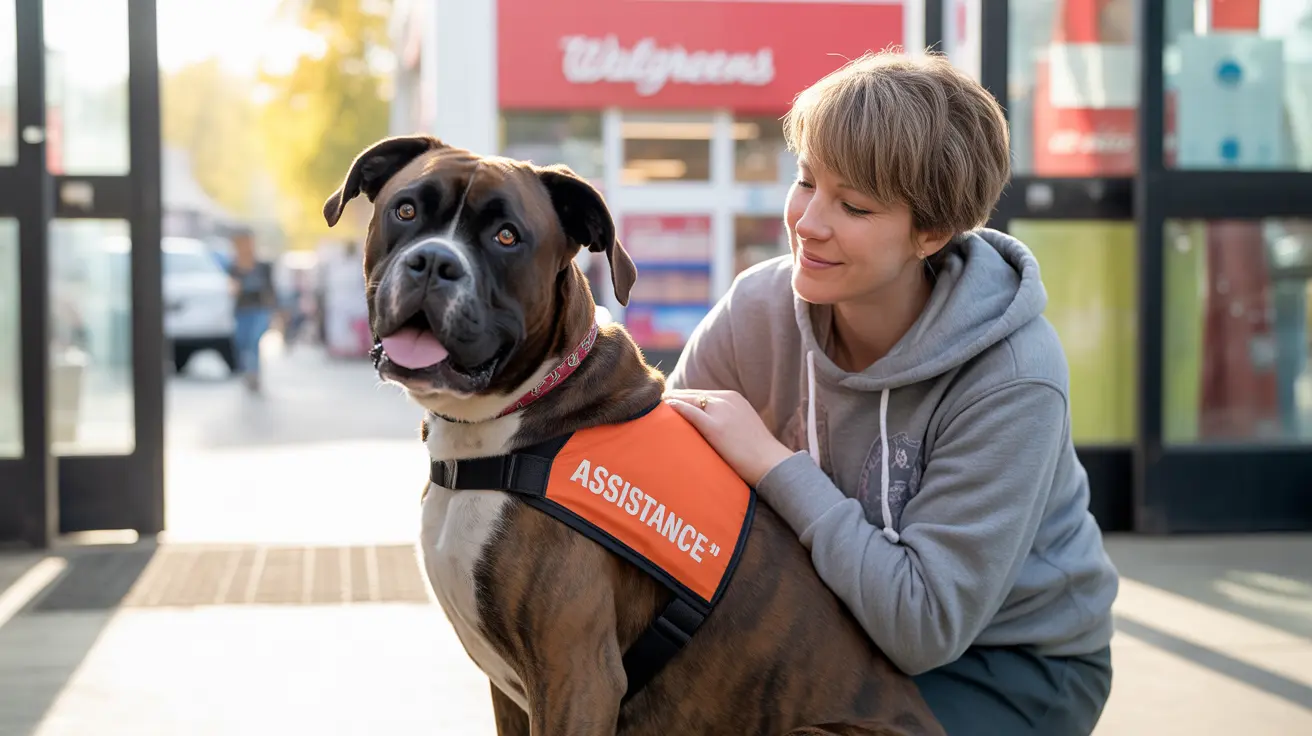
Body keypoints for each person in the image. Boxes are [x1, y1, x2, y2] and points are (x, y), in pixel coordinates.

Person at [663, 50, 1119, 735]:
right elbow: (655, 481)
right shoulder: (758, 308)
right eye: (805, 181)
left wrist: (774, 466)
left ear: (931, 233)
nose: (808, 222)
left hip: (1012, 661)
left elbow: (923, 626)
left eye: (853, 205)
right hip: (828, 628)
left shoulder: (1013, 372)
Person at [227, 229, 277, 393]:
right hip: (242, 310)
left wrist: (275, 312)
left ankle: (253, 374)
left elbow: (271, 289)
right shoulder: (234, 266)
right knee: (242, 342)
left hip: (260, 309)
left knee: (254, 340)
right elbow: (232, 289)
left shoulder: (263, 266)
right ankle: (246, 371)